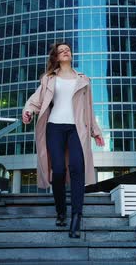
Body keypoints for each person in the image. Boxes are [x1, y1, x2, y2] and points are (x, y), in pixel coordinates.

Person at [22, 41, 104, 238]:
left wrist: (96, 131)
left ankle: (76, 216)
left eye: (67, 49)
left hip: (77, 129)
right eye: (61, 51)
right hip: (54, 127)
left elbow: (89, 109)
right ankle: (61, 211)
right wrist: (28, 110)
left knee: (77, 169)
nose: (65, 52)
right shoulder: (49, 79)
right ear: (56, 57)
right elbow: (36, 99)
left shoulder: (84, 80)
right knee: (57, 171)